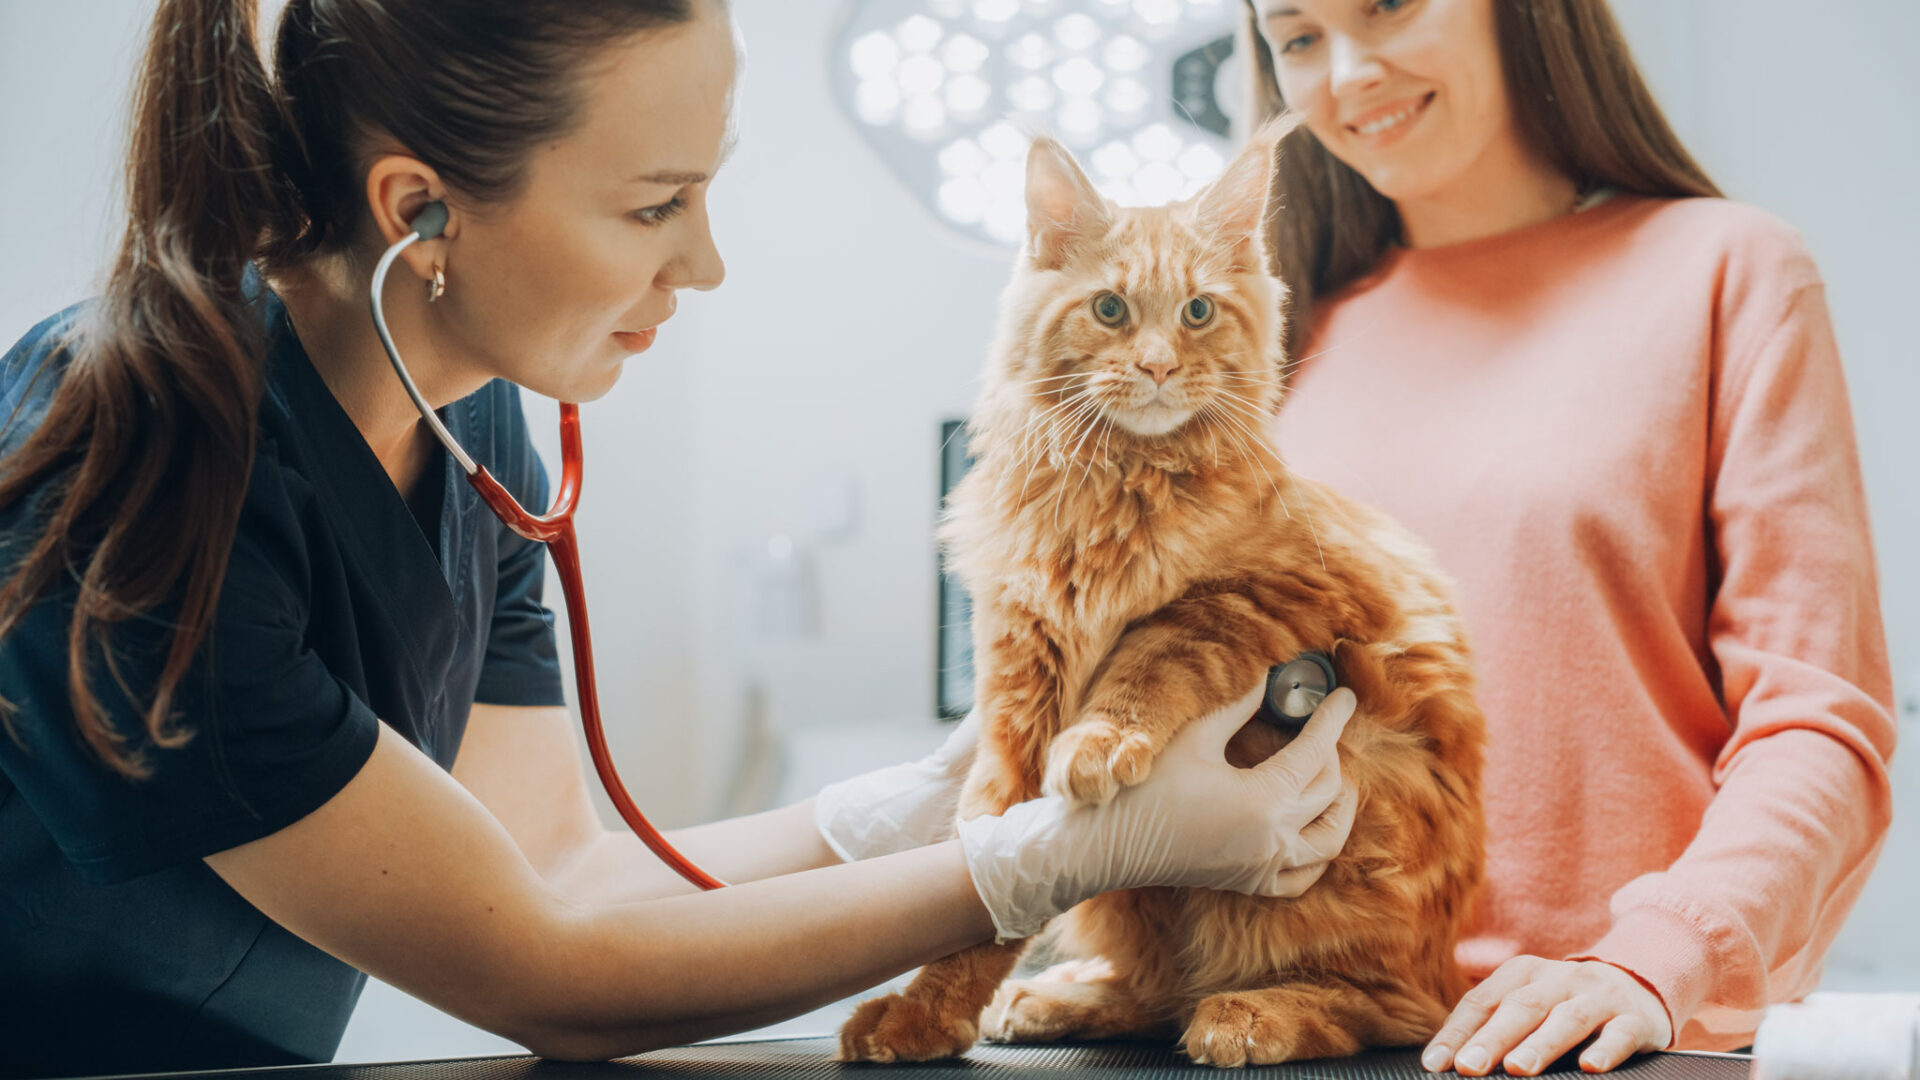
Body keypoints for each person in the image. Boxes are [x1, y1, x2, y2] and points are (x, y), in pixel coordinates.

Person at [0, 0, 1363, 1074]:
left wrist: (923, 804)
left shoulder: (476, 432)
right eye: (656, 206)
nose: (705, 264)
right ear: (419, 211)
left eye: (707, 194)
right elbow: (551, 976)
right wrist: (1049, 864)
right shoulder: (139, 465)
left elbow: (567, 873)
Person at [1236, 0, 1897, 1073]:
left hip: (1604, 1037)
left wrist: (1652, 960)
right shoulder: (1283, 337)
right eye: (1299, 37)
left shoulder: (1728, 269)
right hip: (1306, 1031)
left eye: (1388, 4)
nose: (1349, 71)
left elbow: (1819, 721)